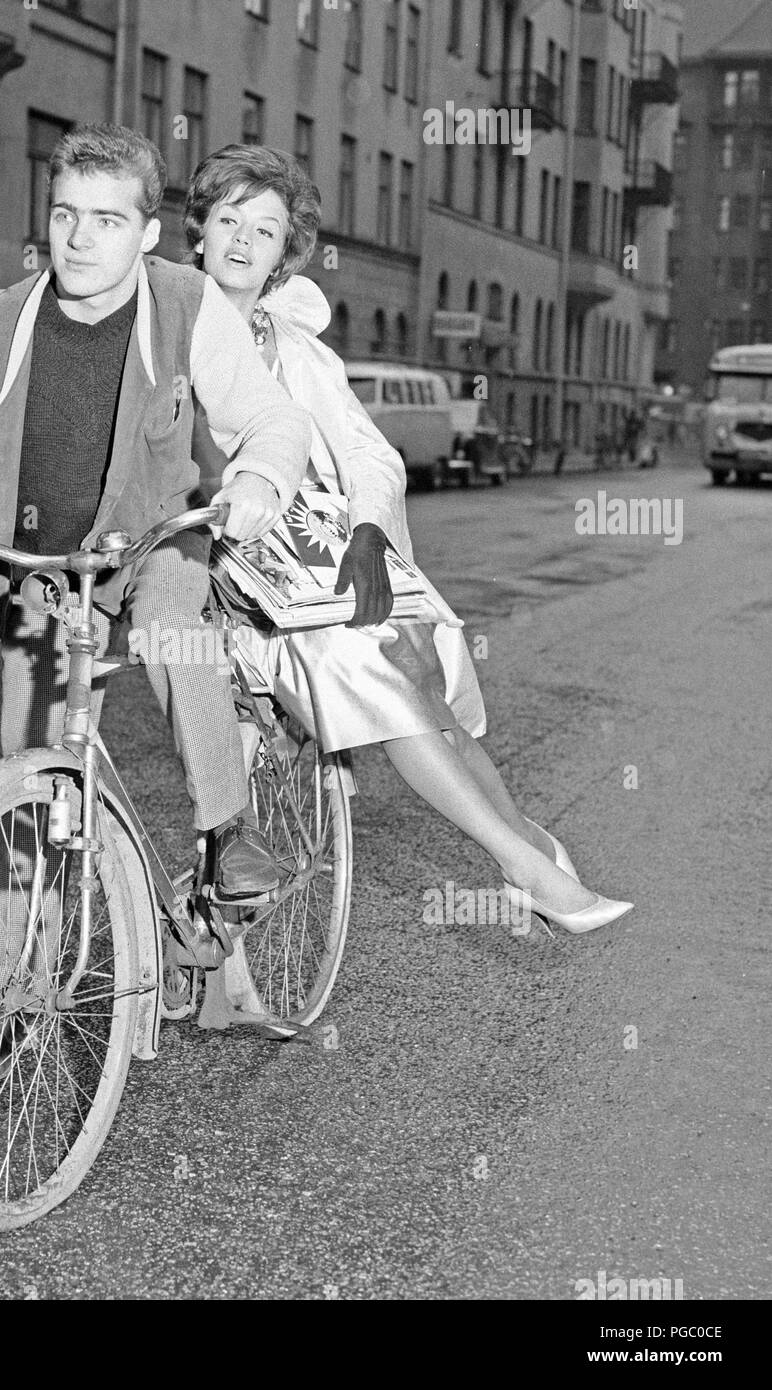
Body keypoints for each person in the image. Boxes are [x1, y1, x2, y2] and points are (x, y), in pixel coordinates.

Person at [0, 125, 311, 1078]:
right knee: (30, 788)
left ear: (148, 233)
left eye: (107, 220)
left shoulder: (186, 306)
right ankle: (16, 1000)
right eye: (66, 214)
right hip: (41, 568)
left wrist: (254, 484)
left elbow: (270, 418)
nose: (80, 239)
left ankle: (227, 837)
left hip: (152, 544)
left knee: (172, 623)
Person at [185, 145, 633, 936]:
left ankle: (525, 846)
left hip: (311, 555)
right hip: (223, 569)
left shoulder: (297, 346)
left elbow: (368, 453)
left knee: (418, 665)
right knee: (377, 672)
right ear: (199, 229)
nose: (243, 243)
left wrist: (365, 533)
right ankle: (527, 868)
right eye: (229, 220)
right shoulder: (170, 321)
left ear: (288, 252)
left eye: (266, 229)